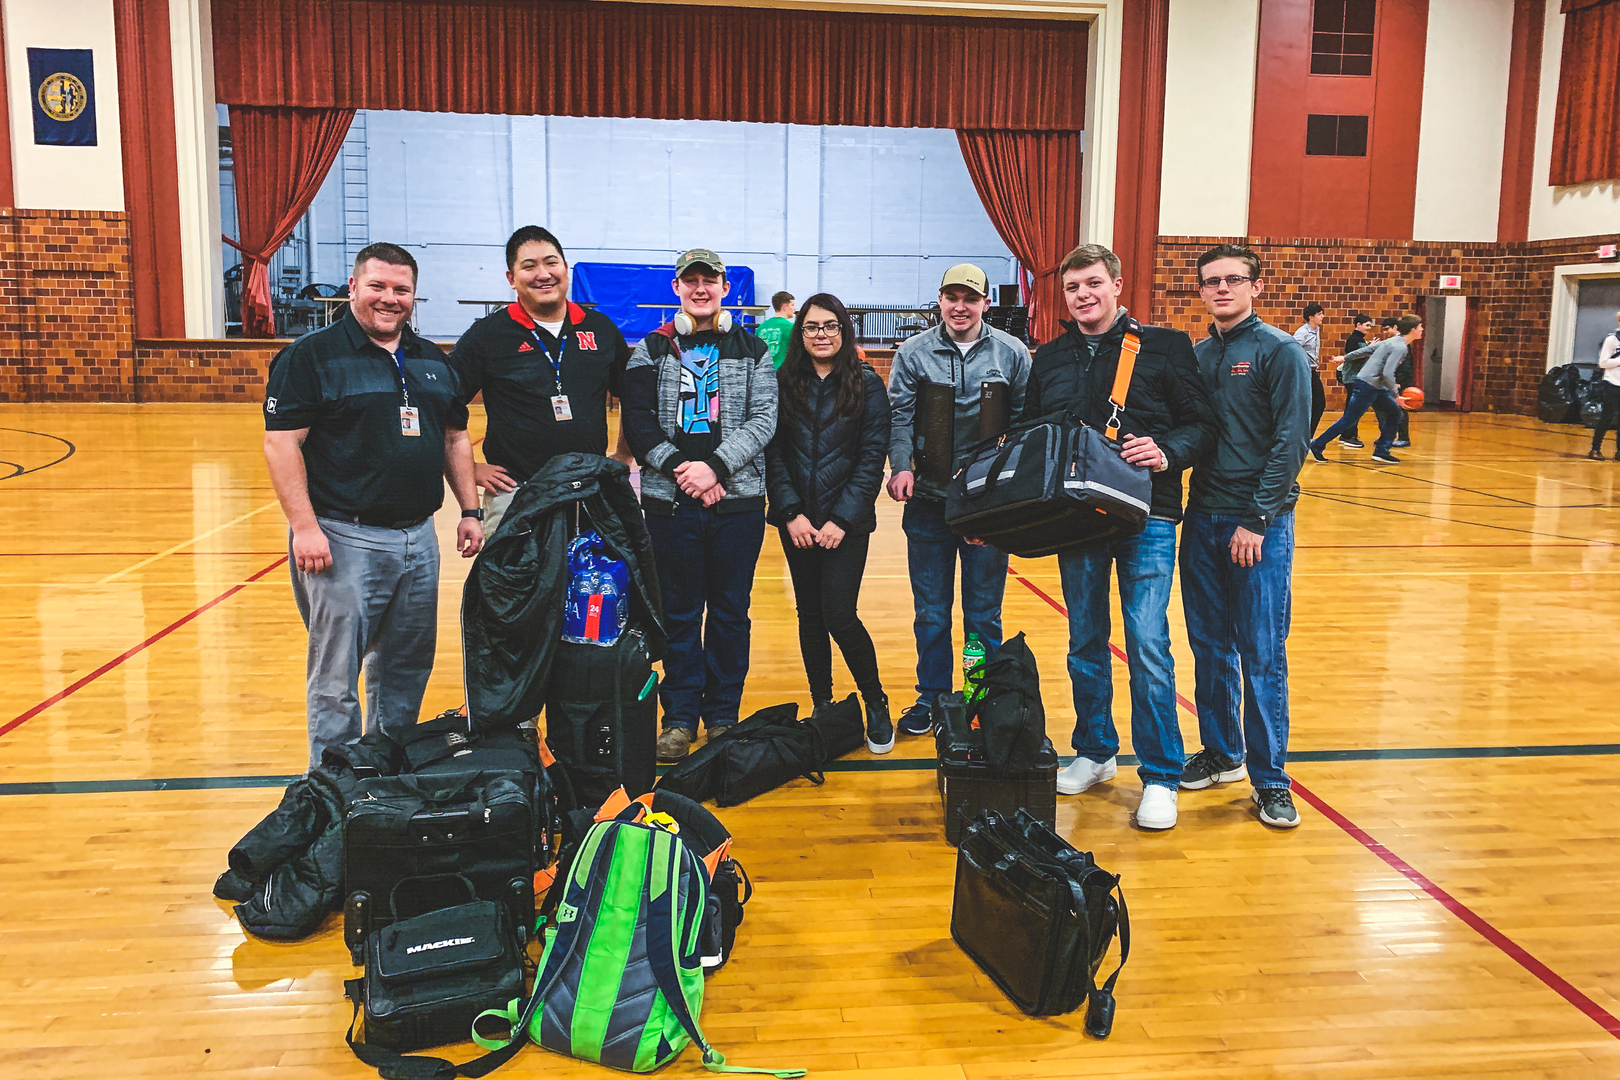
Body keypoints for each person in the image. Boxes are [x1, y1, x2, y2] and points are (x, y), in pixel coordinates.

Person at [262, 242, 484, 770]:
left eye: (401, 289)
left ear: (413, 295)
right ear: (353, 287)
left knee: (406, 667)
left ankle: (384, 777)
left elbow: (455, 438)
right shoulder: (310, 356)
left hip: (418, 538)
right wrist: (304, 528)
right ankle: (334, 785)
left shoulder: (431, 359)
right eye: (378, 286)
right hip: (342, 537)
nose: (390, 299)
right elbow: (281, 443)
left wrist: (470, 511)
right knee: (336, 675)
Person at [1021, 245, 1215, 830]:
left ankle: (1160, 773)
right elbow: (1030, 431)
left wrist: (1166, 451)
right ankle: (1097, 750)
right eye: (1072, 287)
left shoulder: (1164, 347)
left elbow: (1201, 425)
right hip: (1075, 518)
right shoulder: (1049, 358)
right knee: (1084, 639)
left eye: (1092, 284)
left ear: (1117, 284)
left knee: (1147, 641)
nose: (1082, 295)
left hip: (1147, 514)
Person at [621, 248, 776, 762]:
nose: (701, 289)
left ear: (725, 289)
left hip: (738, 507)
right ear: (677, 290)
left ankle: (723, 715)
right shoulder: (651, 349)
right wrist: (683, 473)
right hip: (670, 506)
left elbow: (764, 420)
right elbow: (638, 423)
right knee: (681, 614)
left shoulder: (753, 350)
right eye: (691, 282)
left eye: (710, 281)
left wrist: (717, 468)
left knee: (731, 612)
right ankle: (681, 717)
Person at [1179, 244, 1310, 829]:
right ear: (1201, 292)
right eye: (1212, 282)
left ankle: (1271, 779)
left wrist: (1257, 518)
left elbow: (1291, 444)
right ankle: (1222, 750)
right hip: (1200, 517)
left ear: (1256, 286)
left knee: (1260, 653)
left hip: (1258, 524)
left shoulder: (1280, 352)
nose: (1223, 289)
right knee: (1209, 645)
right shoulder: (1200, 355)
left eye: (1234, 280)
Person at [885, 263, 1031, 737]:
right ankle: (930, 696)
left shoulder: (1012, 354)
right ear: (941, 301)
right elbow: (899, 417)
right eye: (952, 297)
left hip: (987, 507)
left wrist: (1012, 493)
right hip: (928, 503)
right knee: (930, 612)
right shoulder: (913, 353)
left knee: (983, 614)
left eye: (970, 298)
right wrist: (901, 465)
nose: (960, 306)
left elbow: (1027, 426)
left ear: (985, 303)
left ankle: (978, 697)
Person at [765, 293, 895, 753]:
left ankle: (875, 700)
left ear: (844, 330)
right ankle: (822, 702)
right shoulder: (783, 381)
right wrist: (790, 513)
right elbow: (773, 454)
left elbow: (870, 457)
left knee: (840, 614)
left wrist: (842, 518)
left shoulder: (866, 384)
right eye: (812, 327)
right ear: (800, 333)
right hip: (796, 522)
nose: (821, 335)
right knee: (810, 616)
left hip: (847, 525)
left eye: (831, 326)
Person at [449, 226, 633, 532]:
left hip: (589, 492)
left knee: (587, 580)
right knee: (514, 581)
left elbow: (632, 395)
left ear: (565, 268)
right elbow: (443, 406)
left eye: (551, 262)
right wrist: (471, 469)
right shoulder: (488, 336)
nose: (543, 274)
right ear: (511, 279)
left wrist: (625, 454)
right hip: (516, 494)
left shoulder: (600, 329)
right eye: (529, 266)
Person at [1311, 315, 1423, 465]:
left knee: (1395, 414)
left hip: (1376, 386)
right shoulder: (1400, 347)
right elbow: (1387, 372)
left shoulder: (1392, 341)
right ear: (1413, 329)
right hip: (1367, 385)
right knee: (1349, 420)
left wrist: (1345, 358)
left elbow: (1367, 350)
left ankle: (1382, 451)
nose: (1422, 329)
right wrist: (1396, 395)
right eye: (1420, 326)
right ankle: (1317, 444)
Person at [1333, 313, 1376, 448]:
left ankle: (1349, 433)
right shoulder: (1353, 339)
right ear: (1358, 325)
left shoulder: (1360, 340)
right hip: (1352, 377)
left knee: (1355, 407)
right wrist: (1370, 348)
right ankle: (1348, 435)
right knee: (1353, 407)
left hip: (1357, 377)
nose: (1369, 328)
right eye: (1367, 325)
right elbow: (1355, 355)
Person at [1293, 303, 1326, 436]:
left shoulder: (1316, 330)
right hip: (1305, 373)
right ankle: (1302, 435)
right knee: (1313, 404)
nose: (1322, 316)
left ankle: (1306, 436)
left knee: (1318, 404)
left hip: (1312, 372)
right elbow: (1291, 349)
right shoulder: (1303, 332)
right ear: (1311, 317)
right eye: (1319, 314)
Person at [1591, 311, 1620, 460]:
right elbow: (1602, 363)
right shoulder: (1612, 340)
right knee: (1607, 417)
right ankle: (1595, 448)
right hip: (1611, 382)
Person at [757, 291, 797, 370]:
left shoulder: (761, 327)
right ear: (785, 307)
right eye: (792, 305)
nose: (794, 309)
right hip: (782, 371)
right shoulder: (791, 327)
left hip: (762, 370)